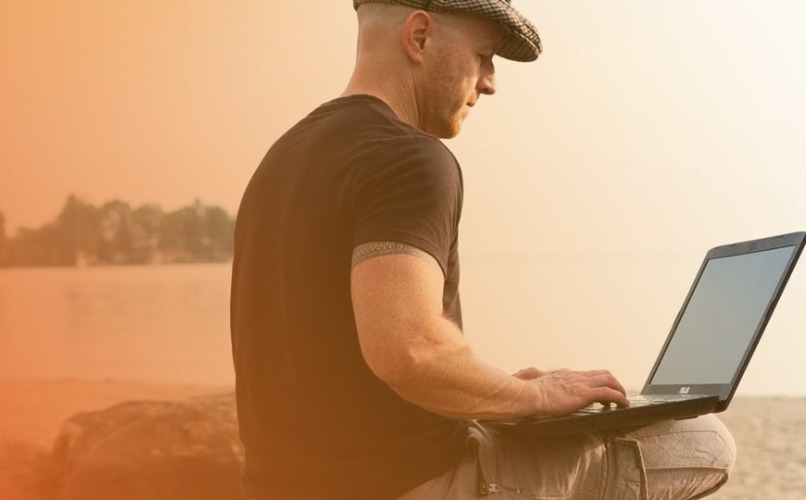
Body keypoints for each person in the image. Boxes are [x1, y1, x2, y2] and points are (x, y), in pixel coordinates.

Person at [230, 1, 736, 499]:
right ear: (420, 37)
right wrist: (537, 396)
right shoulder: (410, 158)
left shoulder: (283, 157)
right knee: (704, 442)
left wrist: (494, 390)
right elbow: (408, 352)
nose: (491, 81)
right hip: (408, 483)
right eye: (483, 55)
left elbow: (342, 361)